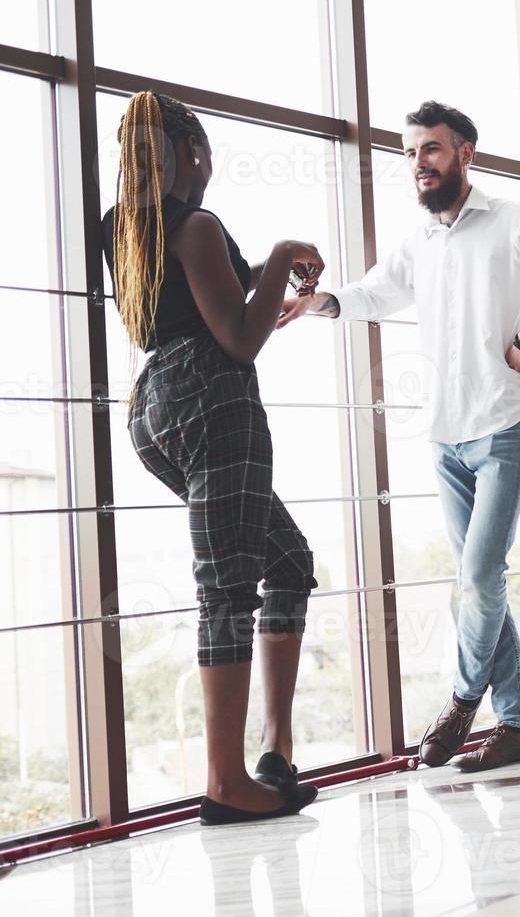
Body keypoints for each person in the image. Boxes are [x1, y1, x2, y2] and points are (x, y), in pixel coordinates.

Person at [280, 101, 520, 771]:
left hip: (507, 424)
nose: (417, 164)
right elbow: (372, 295)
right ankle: (516, 724)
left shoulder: (517, 223)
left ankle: (462, 701)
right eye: (408, 153)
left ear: (464, 153)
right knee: (477, 580)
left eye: (429, 150)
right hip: (444, 436)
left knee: (480, 575)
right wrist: (317, 302)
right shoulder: (418, 243)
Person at [104, 91, 324, 824]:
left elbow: (185, 306)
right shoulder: (196, 223)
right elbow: (237, 336)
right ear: (191, 153)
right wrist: (288, 251)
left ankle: (275, 755)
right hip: (213, 399)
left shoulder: (124, 230)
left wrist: (270, 268)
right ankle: (226, 782)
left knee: (286, 561)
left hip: (153, 406)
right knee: (227, 586)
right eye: (206, 155)